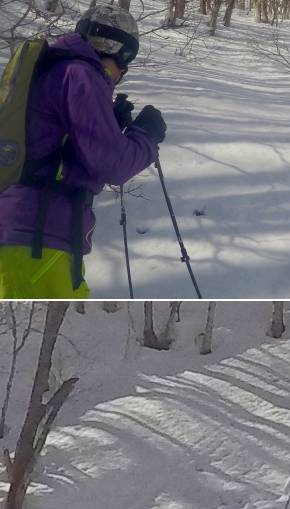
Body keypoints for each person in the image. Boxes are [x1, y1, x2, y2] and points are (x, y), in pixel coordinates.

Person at [0, 3, 167, 299]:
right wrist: (145, 137)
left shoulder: (55, 70)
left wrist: (109, 124)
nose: (122, 74)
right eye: (126, 62)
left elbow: (54, 146)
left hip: (29, 236)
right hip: (37, 240)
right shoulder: (80, 75)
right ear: (121, 52)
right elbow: (114, 165)